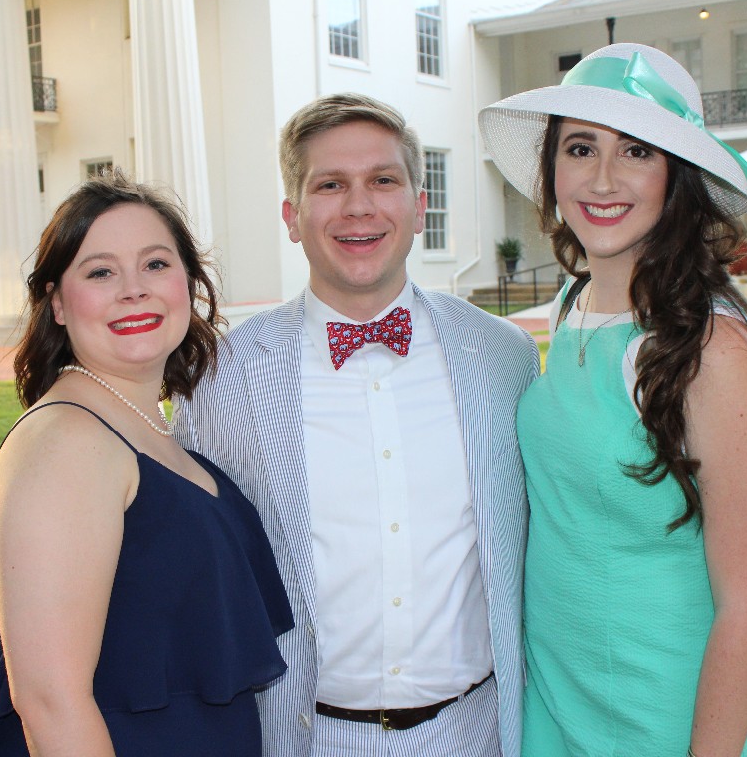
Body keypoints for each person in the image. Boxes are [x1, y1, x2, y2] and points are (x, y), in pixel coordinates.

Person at [173, 94, 540, 757]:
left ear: (419, 205)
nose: (359, 206)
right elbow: (190, 573)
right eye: (330, 185)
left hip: (477, 732)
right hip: (303, 737)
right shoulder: (222, 379)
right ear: (292, 216)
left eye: (383, 180)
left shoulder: (501, 355)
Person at [479, 43, 747, 755]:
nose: (603, 178)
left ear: (676, 178)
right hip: (560, 708)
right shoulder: (573, 303)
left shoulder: (712, 348)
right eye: (581, 148)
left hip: (666, 719)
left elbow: (746, 607)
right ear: (552, 170)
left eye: (637, 151)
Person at [0, 173, 293, 756]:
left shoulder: (142, 425)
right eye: (100, 272)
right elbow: (50, 702)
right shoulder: (67, 443)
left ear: (188, 282)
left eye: (155, 264)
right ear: (57, 303)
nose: (133, 290)